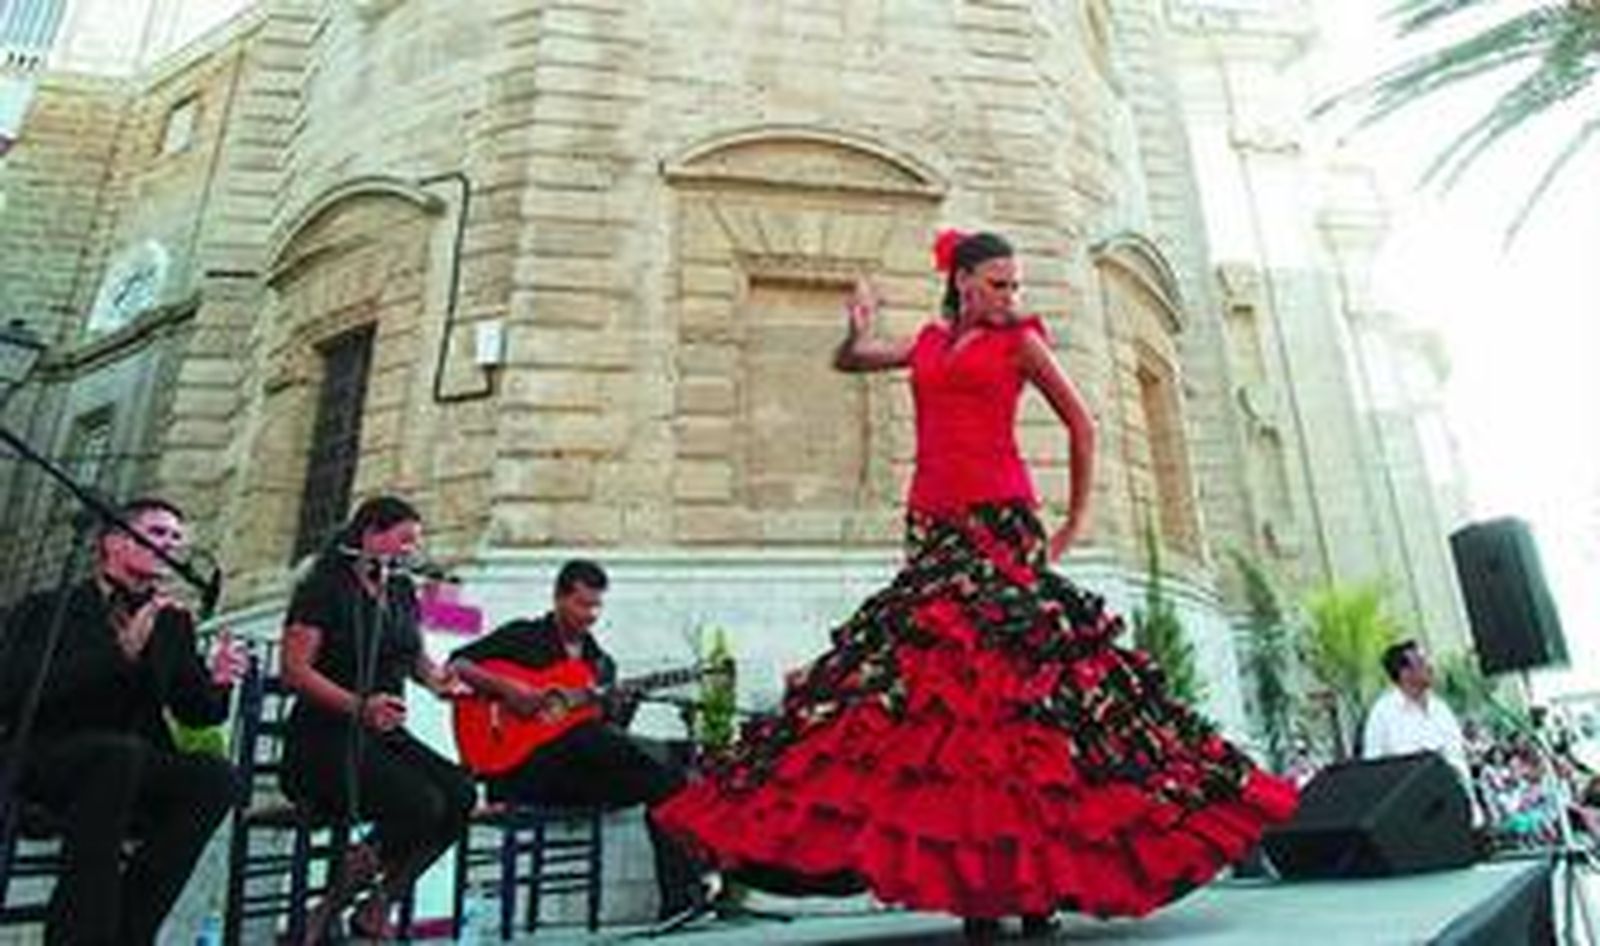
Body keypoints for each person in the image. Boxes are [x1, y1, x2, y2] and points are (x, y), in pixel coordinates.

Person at [654, 230, 1299, 941]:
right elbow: (853, 359)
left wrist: (1073, 524)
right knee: (938, 713)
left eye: (1014, 284)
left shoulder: (1020, 340)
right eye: (997, 283)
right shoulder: (930, 342)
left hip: (1000, 525)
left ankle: (1034, 894)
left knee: (1017, 703)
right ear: (962, 281)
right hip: (934, 530)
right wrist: (857, 326)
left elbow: (1081, 426)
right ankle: (982, 893)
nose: (1009, 295)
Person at [0, 497, 248, 946]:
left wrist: (221, 680)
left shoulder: (172, 621)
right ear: (113, 542)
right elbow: (14, 694)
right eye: (156, 533)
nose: (169, 545)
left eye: (176, 538)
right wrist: (119, 653)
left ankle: (129, 933)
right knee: (117, 757)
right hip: (50, 756)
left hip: (130, 761)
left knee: (217, 778)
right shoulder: (49, 607)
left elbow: (197, 712)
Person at [448, 559, 710, 926]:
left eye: (597, 605)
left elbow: (608, 737)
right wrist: (511, 691)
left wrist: (620, 707)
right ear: (559, 598)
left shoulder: (600, 663)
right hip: (516, 770)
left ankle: (681, 900)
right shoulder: (524, 636)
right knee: (590, 737)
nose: (591, 614)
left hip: (574, 777)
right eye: (582, 604)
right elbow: (457, 665)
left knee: (668, 783)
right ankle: (675, 752)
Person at [279, 495, 475, 942]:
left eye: (415, 543)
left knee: (460, 794)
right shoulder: (323, 587)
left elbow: (411, 655)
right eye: (403, 540)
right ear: (370, 533)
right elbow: (294, 670)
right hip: (325, 737)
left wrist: (437, 681)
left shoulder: (402, 589)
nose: (410, 551)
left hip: (383, 735)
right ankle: (325, 911)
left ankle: (377, 904)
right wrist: (359, 705)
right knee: (421, 803)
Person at [1362, 640, 1473, 794]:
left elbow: (1458, 757)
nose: (1430, 667)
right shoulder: (1382, 715)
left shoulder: (1441, 709)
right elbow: (1374, 769)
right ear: (1404, 673)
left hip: (1456, 801)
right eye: (1421, 662)